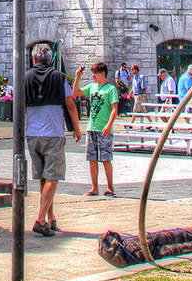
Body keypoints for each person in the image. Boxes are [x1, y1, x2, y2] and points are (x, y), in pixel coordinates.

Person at [23, 45, 79, 237]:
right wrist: (76, 128)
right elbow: (70, 104)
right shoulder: (59, 77)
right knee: (53, 178)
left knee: (43, 178)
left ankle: (50, 218)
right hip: (53, 132)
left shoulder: (26, 77)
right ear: (51, 59)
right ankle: (40, 219)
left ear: (34, 59)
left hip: (33, 133)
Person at [74, 62, 121, 197]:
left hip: (104, 129)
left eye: (95, 73)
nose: (93, 76)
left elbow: (114, 109)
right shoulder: (93, 86)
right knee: (92, 159)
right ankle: (94, 187)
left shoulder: (111, 89)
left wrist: (109, 124)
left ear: (103, 74)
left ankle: (110, 187)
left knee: (106, 159)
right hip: (91, 128)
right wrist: (78, 77)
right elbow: (76, 92)